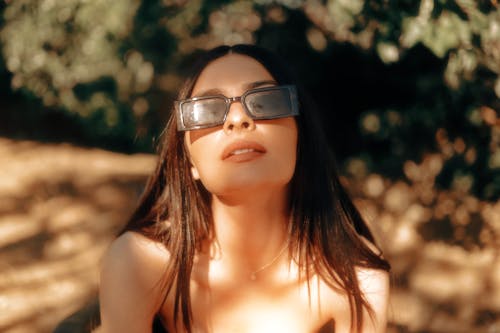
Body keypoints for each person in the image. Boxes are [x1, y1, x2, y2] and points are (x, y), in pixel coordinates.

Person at [98, 44, 391, 333]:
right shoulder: (138, 264)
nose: (238, 119)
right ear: (189, 162)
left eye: (265, 101)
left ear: (300, 139)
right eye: (207, 110)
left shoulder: (358, 277)